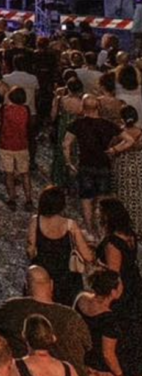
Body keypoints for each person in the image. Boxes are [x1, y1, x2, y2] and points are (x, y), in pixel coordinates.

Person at [0, 266, 91, 376]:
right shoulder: (73, 317)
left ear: (26, 286)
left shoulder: (9, 309)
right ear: (51, 284)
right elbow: (88, 347)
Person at [95, 195, 141, 376]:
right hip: (135, 283)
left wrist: (98, 265)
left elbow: (114, 273)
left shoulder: (113, 242)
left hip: (122, 290)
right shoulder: (129, 235)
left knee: (122, 330)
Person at [27, 186, 95, 307]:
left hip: (44, 277)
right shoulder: (70, 224)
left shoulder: (35, 221)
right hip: (67, 279)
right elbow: (87, 256)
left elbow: (31, 250)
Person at [63, 95, 120, 234]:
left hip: (85, 165)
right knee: (103, 200)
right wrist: (115, 149)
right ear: (98, 107)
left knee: (86, 199)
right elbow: (128, 139)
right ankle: (104, 230)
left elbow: (66, 144)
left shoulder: (77, 124)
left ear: (83, 107)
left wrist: (69, 162)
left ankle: (90, 229)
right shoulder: (108, 124)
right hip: (104, 165)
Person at [73, 268, 123, 376]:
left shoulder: (80, 299)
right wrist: (119, 373)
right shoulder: (108, 320)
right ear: (113, 292)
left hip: (80, 363)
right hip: (99, 370)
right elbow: (108, 355)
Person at [107, 105, 142, 234]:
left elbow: (111, 149)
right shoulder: (140, 132)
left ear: (122, 118)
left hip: (121, 168)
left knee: (122, 197)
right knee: (138, 197)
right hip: (138, 168)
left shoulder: (118, 133)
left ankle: (123, 227)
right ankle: (138, 228)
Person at [0, 88, 33, 211]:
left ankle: (12, 198)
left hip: (6, 144)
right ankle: (28, 198)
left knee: (9, 174)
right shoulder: (26, 110)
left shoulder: (5, 109)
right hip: (22, 144)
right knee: (25, 173)